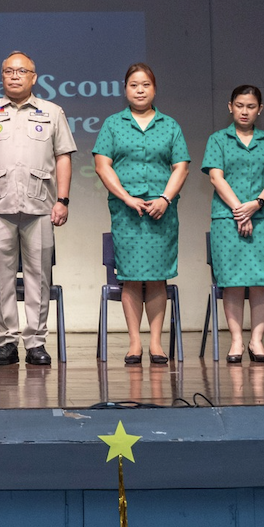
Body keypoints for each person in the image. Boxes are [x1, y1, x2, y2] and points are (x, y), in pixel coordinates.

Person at [0, 51, 76, 366]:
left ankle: (36, 343)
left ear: (33, 77)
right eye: (8, 71)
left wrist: (63, 199)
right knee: (1, 278)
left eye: (21, 71)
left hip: (40, 207)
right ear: (2, 77)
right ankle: (6, 343)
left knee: (38, 278)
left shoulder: (52, 112)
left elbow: (63, 156)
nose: (14, 76)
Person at [93, 63, 191, 365]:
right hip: (127, 212)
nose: (139, 90)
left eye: (145, 85)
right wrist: (126, 197)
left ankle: (157, 344)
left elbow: (181, 166)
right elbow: (102, 164)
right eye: (134, 85)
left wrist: (165, 197)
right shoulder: (113, 124)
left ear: (154, 89)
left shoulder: (170, 125)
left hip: (162, 211)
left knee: (158, 278)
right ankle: (135, 343)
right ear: (125, 89)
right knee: (132, 278)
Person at [202, 85, 264, 363]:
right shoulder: (218, 139)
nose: (244, 111)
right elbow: (216, 177)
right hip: (228, 217)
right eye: (239, 105)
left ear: (259, 109)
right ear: (230, 106)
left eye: (251, 106)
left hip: (263, 217)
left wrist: (256, 205)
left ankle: (257, 341)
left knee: (261, 282)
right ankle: (237, 341)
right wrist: (240, 210)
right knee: (233, 283)